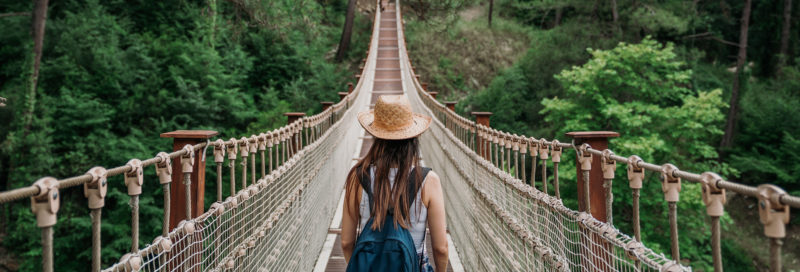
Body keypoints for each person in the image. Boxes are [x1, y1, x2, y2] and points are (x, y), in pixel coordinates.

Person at [341, 95, 448, 271]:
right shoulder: (428, 180)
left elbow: (346, 242)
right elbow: (441, 248)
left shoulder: (357, 177)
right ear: (413, 138)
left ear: (376, 136)